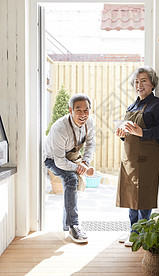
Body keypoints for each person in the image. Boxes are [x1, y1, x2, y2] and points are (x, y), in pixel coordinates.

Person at [116, 66, 159, 247]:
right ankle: (133, 231)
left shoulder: (158, 104)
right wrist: (122, 133)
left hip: (147, 159)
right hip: (130, 158)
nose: (139, 85)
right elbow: (129, 131)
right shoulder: (133, 105)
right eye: (136, 82)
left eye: (143, 81)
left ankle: (141, 234)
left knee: (144, 197)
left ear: (152, 83)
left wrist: (142, 132)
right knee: (131, 196)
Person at [44, 93, 95, 243]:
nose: (83, 114)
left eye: (86, 110)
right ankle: (73, 225)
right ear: (70, 110)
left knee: (74, 178)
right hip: (52, 158)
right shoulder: (60, 128)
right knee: (71, 179)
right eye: (78, 110)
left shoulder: (90, 122)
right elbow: (59, 161)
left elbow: (91, 144)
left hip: (72, 156)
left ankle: (68, 226)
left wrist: (85, 162)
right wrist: (82, 169)